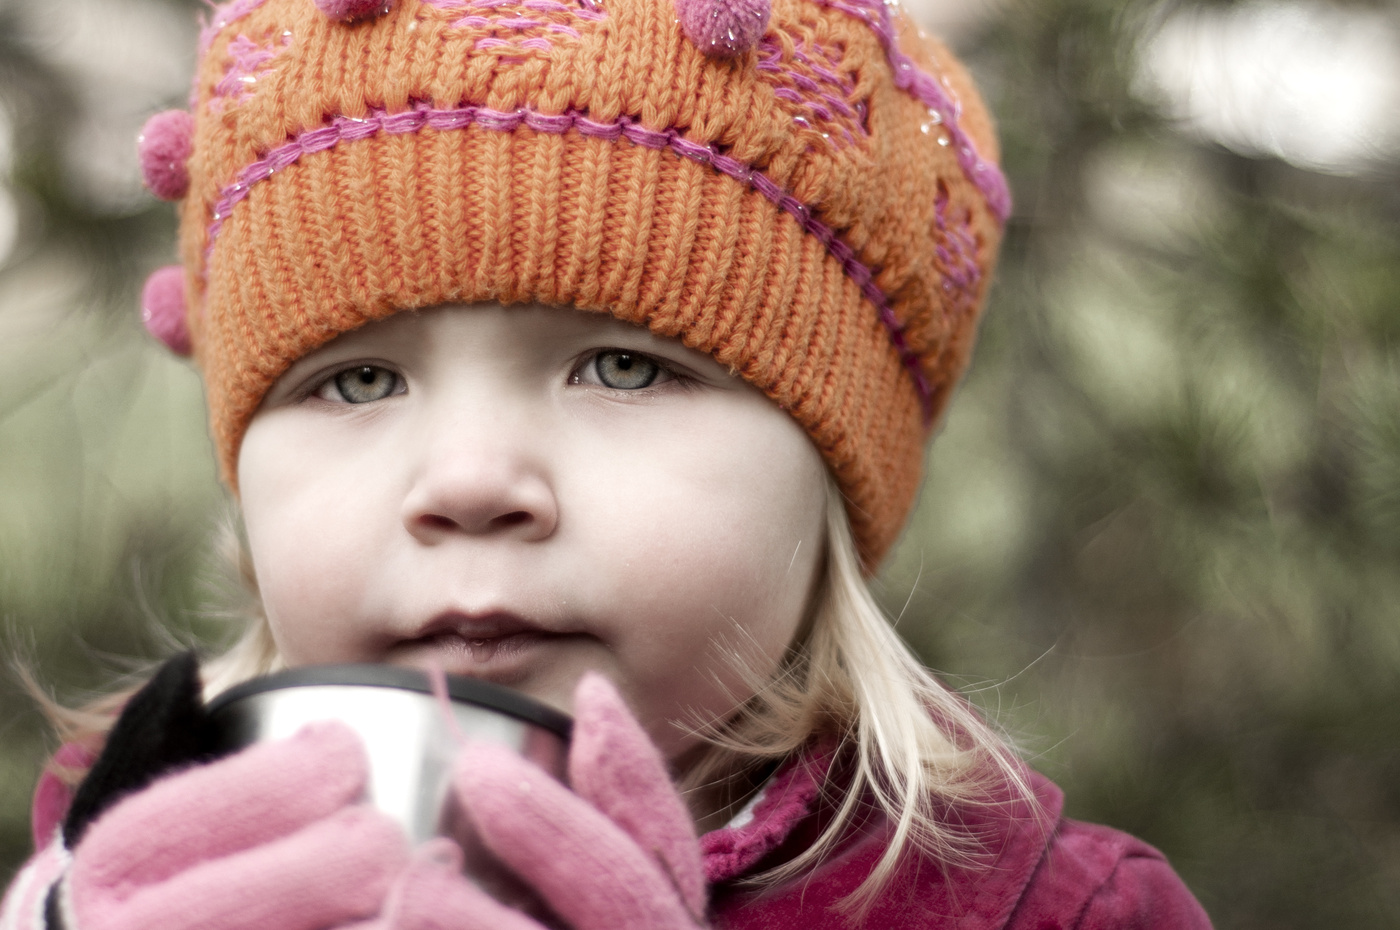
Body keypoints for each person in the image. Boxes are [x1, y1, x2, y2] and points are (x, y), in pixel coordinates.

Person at [2, 0, 1213, 926]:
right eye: (356, 380)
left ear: (832, 476)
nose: (470, 483)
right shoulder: (133, 857)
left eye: (623, 368)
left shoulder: (1046, 913)